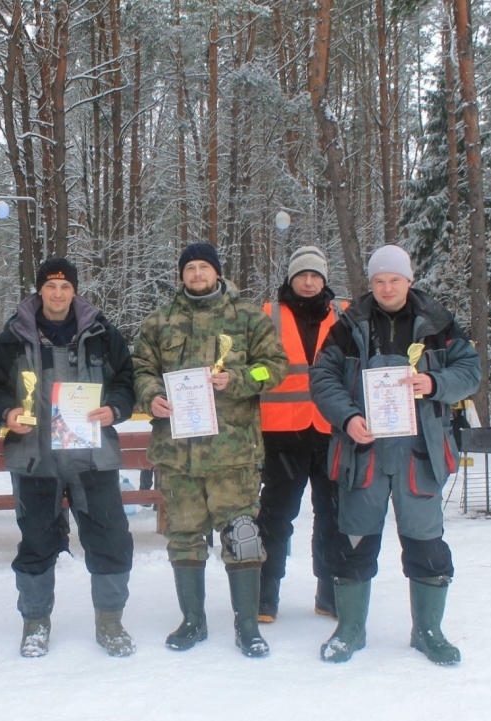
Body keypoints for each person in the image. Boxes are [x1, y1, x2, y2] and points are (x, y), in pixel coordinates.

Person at [309, 244, 480, 665]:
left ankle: (428, 630)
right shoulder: (348, 325)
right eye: (379, 281)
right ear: (371, 283)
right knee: (353, 542)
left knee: (426, 544)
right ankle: (350, 629)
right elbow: (323, 377)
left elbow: (470, 371)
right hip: (363, 451)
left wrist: (435, 383)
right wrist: (348, 417)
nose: (387, 288)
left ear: (409, 280)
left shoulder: (439, 323)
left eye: (395, 280)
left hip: (419, 453)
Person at [132, 243, 287, 657]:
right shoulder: (160, 321)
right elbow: (141, 369)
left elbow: (275, 366)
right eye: (190, 268)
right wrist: (151, 395)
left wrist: (239, 378)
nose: (197, 274)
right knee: (184, 537)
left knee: (243, 537)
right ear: (181, 275)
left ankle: (247, 626)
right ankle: (193, 621)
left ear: (218, 272)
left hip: (232, 454)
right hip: (178, 452)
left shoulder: (247, 317)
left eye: (204, 267)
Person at [0, 258, 137, 658]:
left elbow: (126, 379)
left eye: (65, 286)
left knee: (110, 538)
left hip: (93, 456)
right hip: (36, 457)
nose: (57, 293)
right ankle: (35, 622)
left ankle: (110, 620)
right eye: (50, 286)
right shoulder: (14, 336)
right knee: (37, 541)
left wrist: (115, 409)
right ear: (39, 291)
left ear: (74, 291)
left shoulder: (102, 333)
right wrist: (7, 412)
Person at [256, 247, 346, 623]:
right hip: (282, 434)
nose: (308, 282)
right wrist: (263, 377)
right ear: (290, 278)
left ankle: (330, 595)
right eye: (301, 275)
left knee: (333, 517)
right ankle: (264, 597)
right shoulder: (267, 315)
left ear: (324, 280)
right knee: (274, 518)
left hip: (331, 432)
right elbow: (250, 367)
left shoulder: (345, 314)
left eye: (315, 276)